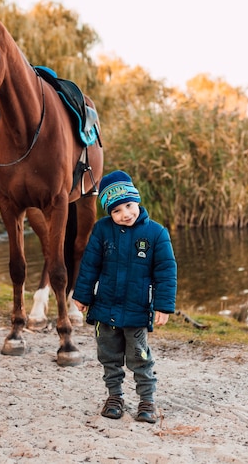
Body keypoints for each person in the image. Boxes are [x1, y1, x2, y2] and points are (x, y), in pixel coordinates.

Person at [73, 170, 177, 424]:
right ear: (109, 212)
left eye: (128, 206)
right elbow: (89, 266)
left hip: (137, 309)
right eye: (116, 211)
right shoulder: (102, 230)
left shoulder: (156, 233)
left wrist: (163, 305)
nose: (125, 214)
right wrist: (82, 296)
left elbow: (166, 271)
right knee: (108, 356)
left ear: (137, 201)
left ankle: (147, 400)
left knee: (139, 357)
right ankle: (115, 397)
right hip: (104, 308)